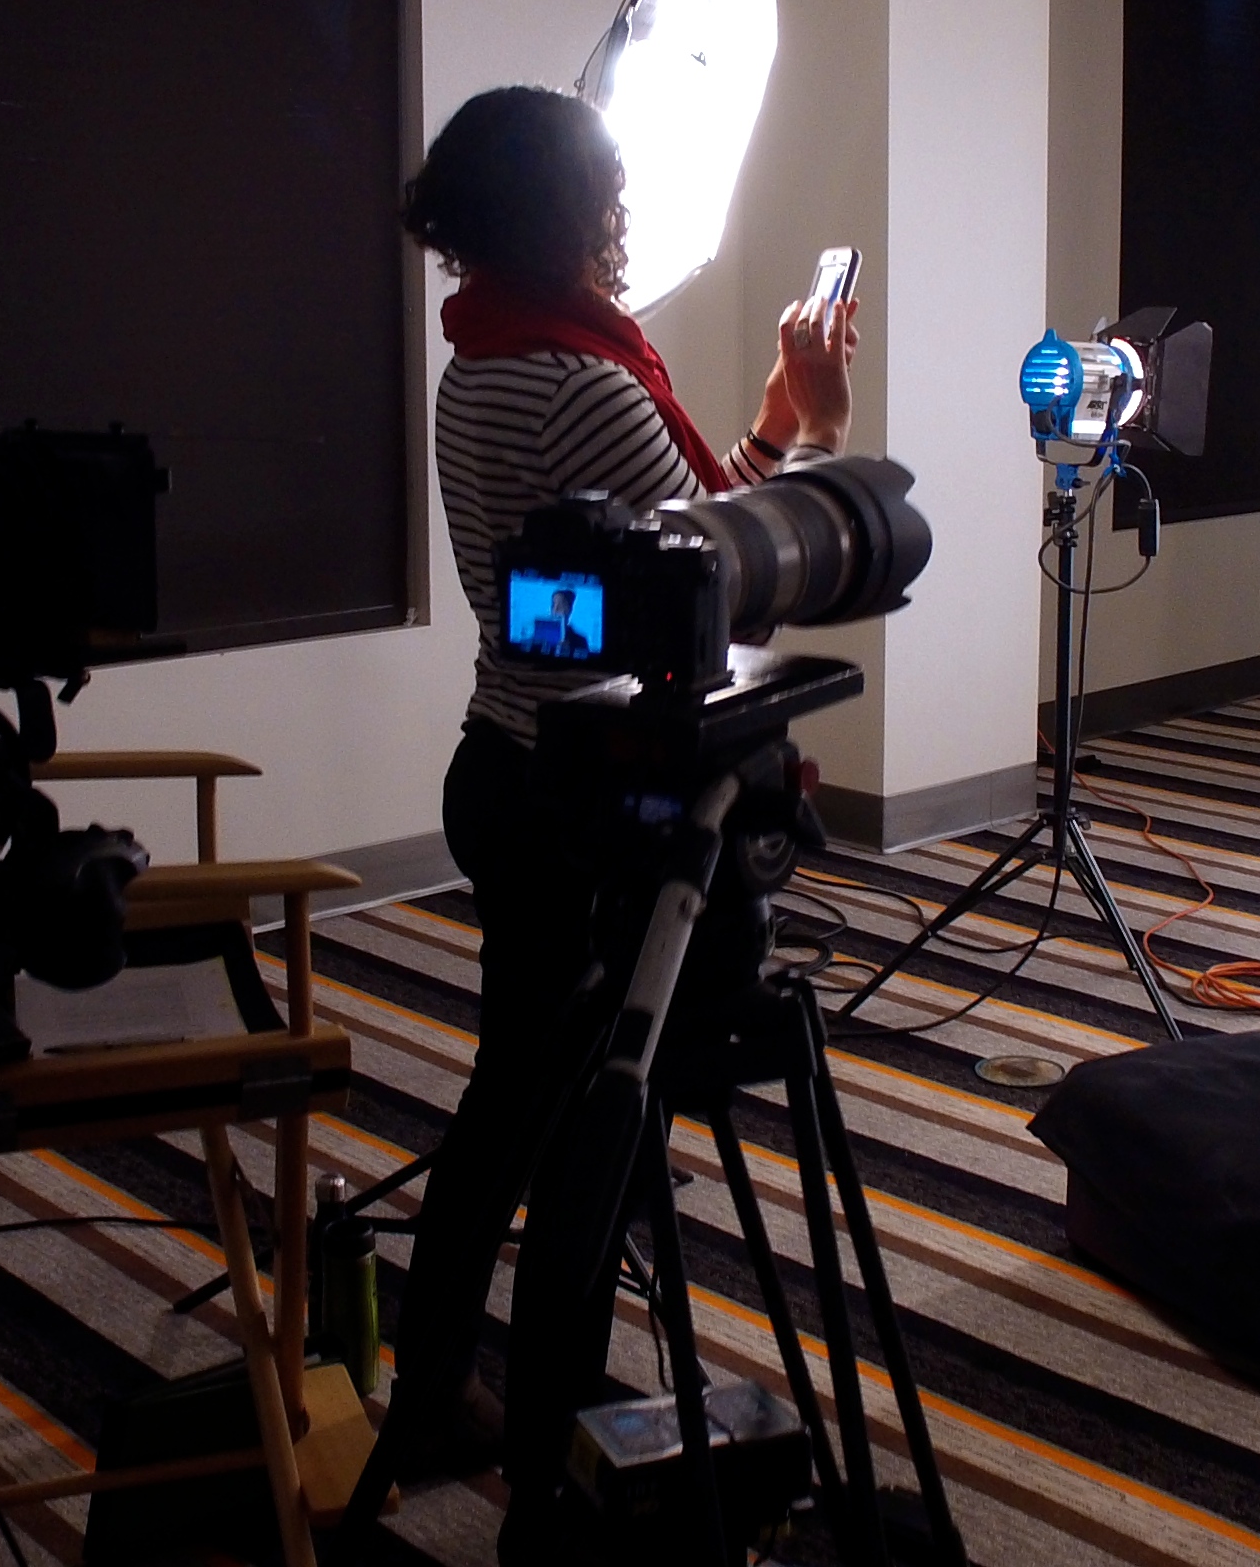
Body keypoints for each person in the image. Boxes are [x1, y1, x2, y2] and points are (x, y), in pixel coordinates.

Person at [382, 85, 854, 1548]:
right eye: (606, 192)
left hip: (510, 764)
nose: (625, 215)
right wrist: (825, 439)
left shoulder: (487, 358)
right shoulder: (585, 376)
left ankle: (431, 1395)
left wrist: (763, 434)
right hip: (605, 807)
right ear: (559, 212)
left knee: (511, 1092)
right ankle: (556, 1425)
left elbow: (671, 557)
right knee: (594, 1117)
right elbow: (744, 585)